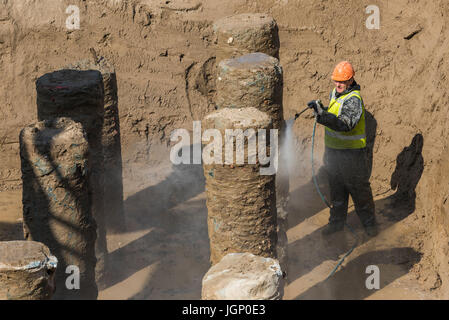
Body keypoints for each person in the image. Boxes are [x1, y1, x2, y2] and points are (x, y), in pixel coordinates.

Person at [307, 61, 378, 237]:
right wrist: (321, 109)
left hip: (351, 155)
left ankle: (370, 226)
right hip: (333, 153)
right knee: (337, 191)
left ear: (350, 80)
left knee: (359, 191)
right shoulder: (336, 93)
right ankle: (336, 224)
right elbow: (335, 115)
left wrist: (322, 117)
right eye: (336, 81)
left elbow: (345, 124)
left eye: (342, 81)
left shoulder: (354, 99)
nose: (338, 84)